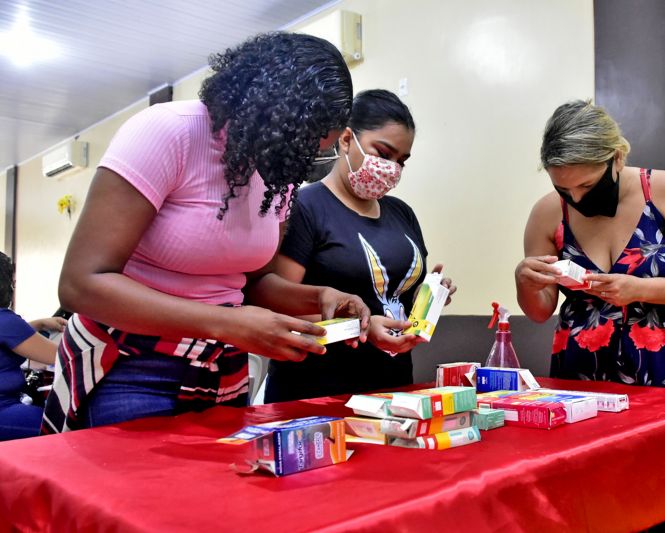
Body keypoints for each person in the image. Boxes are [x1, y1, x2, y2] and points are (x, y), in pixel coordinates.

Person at [42, 32, 370, 434]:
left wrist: (317, 297)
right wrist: (225, 323)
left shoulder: (278, 167)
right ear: (267, 113)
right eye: (299, 144)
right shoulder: (167, 132)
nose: (302, 162)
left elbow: (251, 285)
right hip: (133, 362)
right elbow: (81, 284)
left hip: (223, 369)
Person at [515, 99, 665, 531]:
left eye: (588, 184)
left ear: (617, 156)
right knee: (593, 500)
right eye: (566, 189)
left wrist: (640, 289)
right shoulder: (548, 212)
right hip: (582, 379)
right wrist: (526, 280)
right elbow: (540, 311)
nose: (577, 198)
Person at [264, 89, 456, 402]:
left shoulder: (401, 213)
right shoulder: (305, 207)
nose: (391, 168)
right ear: (346, 140)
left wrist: (429, 298)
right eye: (383, 153)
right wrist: (361, 329)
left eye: (401, 162)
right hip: (317, 392)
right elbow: (278, 307)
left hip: (391, 387)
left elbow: (392, 299)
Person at [0, 252, 64, 440]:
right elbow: (63, 355)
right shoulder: (6, 321)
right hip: (4, 409)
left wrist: (40, 324)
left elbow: (11, 335)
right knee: (68, 427)